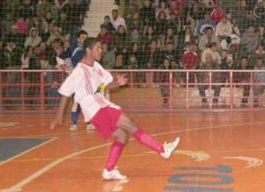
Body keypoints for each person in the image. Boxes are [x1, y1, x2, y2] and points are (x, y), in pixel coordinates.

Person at [50, 38, 180, 180]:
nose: (102, 50)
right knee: (131, 124)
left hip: (100, 104)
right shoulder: (80, 70)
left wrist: (117, 83)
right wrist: (59, 116)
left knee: (122, 136)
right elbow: (65, 92)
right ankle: (162, 150)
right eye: (98, 48)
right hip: (95, 106)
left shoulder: (96, 66)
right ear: (88, 50)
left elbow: (104, 86)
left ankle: (109, 170)